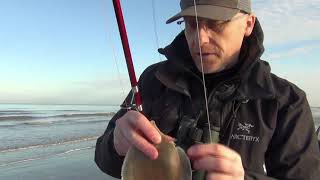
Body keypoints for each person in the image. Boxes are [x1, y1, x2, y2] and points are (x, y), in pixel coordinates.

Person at [95, 0, 320, 179]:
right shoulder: (153, 79)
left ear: (248, 24)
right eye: (191, 24)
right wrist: (115, 145)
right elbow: (103, 158)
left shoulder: (286, 101)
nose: (199, 39)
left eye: (215, 23)